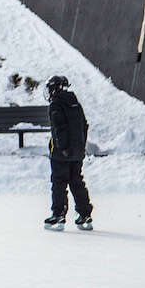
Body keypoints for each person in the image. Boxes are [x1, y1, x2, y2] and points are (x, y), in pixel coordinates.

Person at [43, 75, 94, 231]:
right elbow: (84, 126)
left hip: (61, 153)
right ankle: (85, 214)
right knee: (76, 182)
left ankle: (58, 215)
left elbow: (59, 129)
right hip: (77, 152)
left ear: (55, 88)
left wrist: (63, 148)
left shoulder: (56, 104)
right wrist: (79, 146)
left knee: (59, 183)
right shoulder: (75, 103)